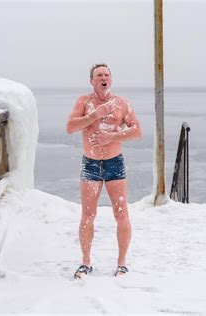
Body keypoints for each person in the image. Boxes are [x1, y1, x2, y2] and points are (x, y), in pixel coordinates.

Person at [66, 64, 142, 278]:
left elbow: (137, 131)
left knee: (121, 213)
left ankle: (122, 263)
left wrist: (112, 137)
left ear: (111, 79)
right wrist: (94, 115)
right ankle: (85, 262)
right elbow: (70, 127)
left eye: (107, 75)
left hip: (114, 163)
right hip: (90, 164)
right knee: (88, 215)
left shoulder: (121, 103)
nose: (103, 78)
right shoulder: (84, 102)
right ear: (92, 81)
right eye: (99, 75)